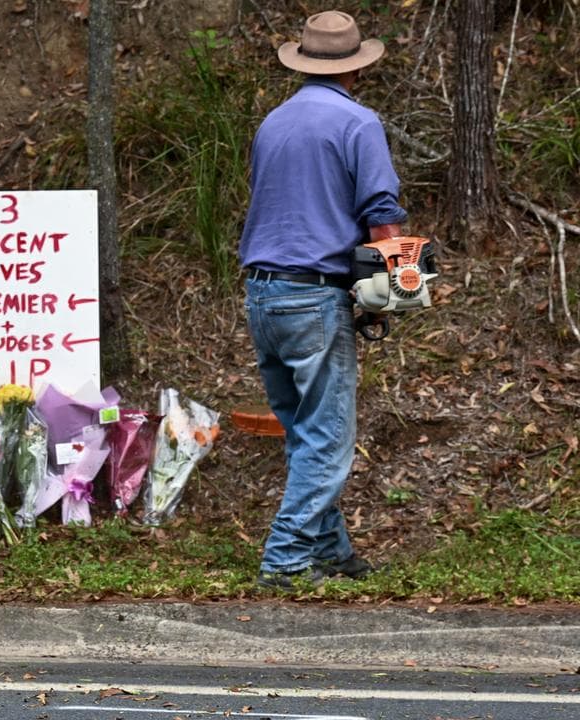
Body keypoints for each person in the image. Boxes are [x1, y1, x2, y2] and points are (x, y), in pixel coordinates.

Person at [239, 10, 407, 590]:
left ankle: (334, 551)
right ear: (357, 68)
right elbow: (381, 214)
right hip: (314, 296)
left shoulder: (273, 123)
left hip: (262, 294)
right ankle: (284, 559)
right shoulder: (358, 122)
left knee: (303, 430)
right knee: (329, 440)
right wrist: (398, 285)